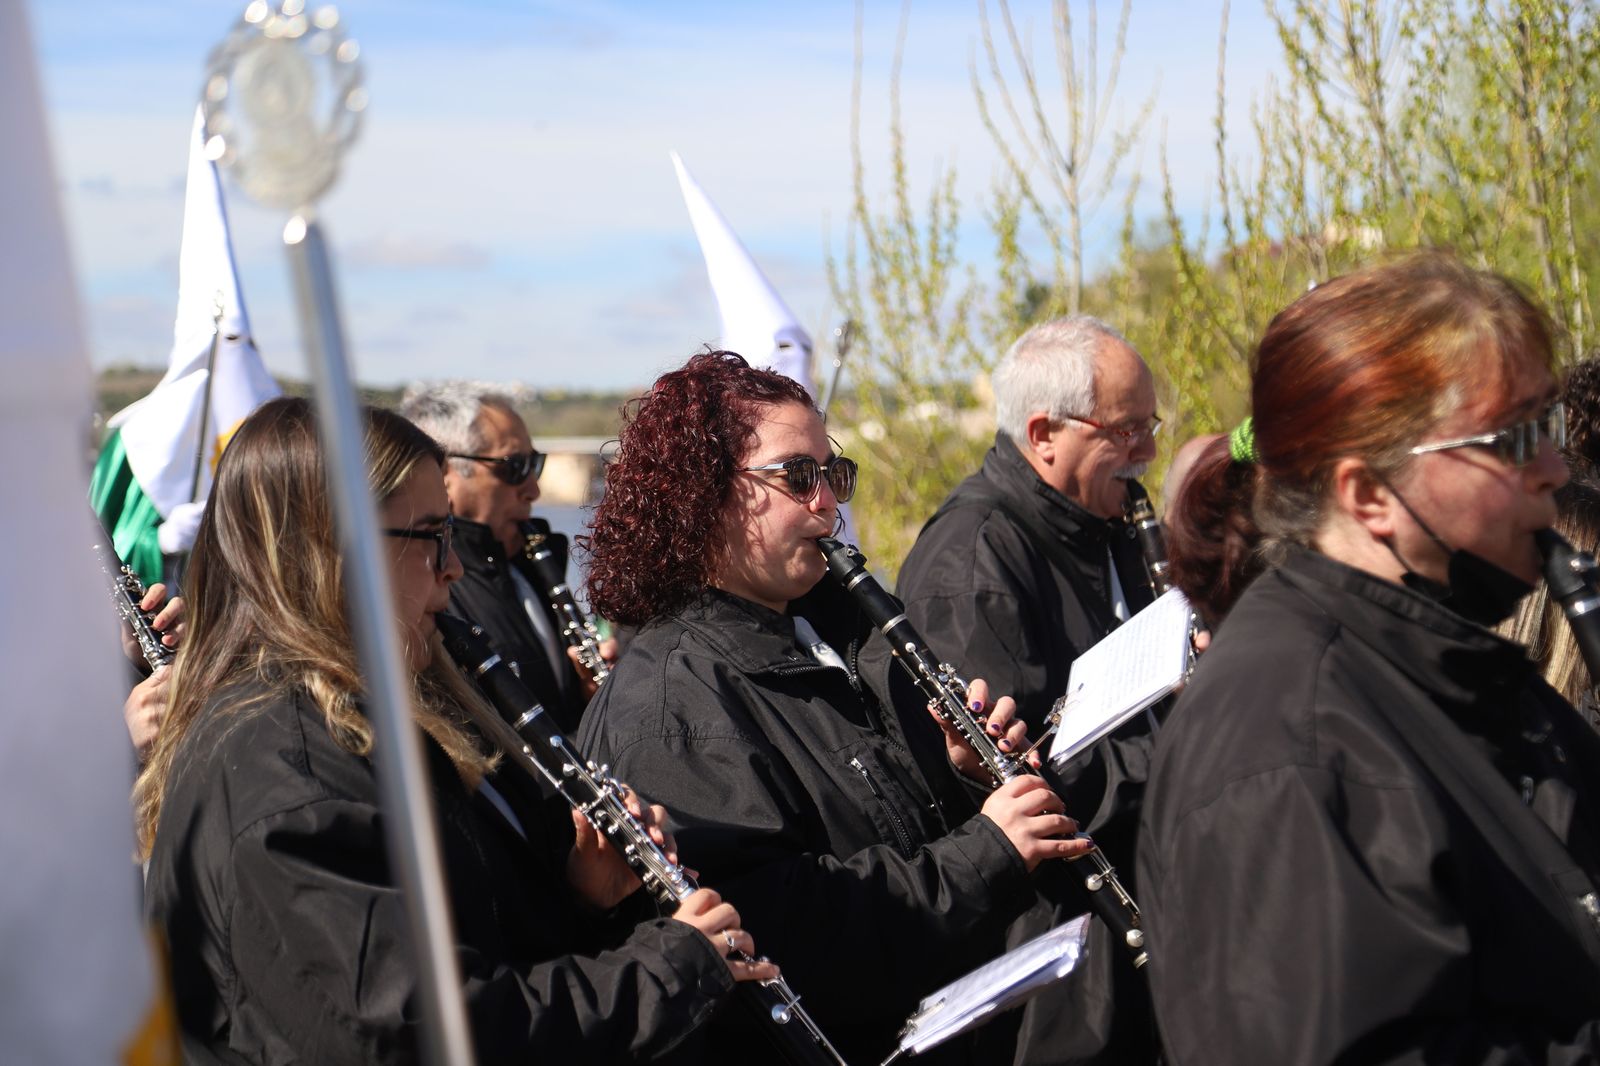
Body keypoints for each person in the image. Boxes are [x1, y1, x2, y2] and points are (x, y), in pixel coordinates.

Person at [138, 396, 771, 1064]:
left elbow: (469, 937)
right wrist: (671, 967)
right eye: (431, 535)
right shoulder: (289, 771)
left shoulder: (364, 717)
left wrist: (589, 898)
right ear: (330, 548)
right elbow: (426, 1034)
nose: (454, 567)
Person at [1139, 253, 1600, 1063]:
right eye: (1519, 439)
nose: (1556, 469)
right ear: (1369, 495)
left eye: (1553, 428)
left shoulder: (1447, 659)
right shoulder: (1289, 744)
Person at [576, 351, 1087, 1065]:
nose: (828, 504)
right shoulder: (670, 700)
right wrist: (987, 853)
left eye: (833, 475)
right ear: (706, 496)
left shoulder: (844, 631)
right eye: (798, 477)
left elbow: (880, 826)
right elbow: (784, 931)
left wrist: (965, 777)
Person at [892, 314, 1163, 1064]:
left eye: (1151, 426)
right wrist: (1187, 754)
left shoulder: (1105, 523)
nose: (1147, 452)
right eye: (1128, 431)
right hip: (1059, 964)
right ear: (1044, 434)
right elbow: (1033, 772)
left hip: (1134, 927)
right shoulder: (975, 559)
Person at [400, 383, 613, 732]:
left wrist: (594, 700)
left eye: (535, 463)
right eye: (515, 466)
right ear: (445, 475)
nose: (533, 489)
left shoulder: (532, 564)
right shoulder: (429, 597)